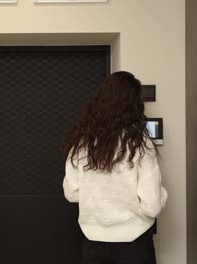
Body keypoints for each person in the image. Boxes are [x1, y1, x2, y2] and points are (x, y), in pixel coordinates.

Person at [61, 71, 168, 264]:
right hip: (134, 245)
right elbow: (152, 206)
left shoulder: (82, 144)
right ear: (133, 105)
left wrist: (99, 196)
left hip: (93, 245)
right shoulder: (141, 145)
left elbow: (71, 193)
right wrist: (161, 195)